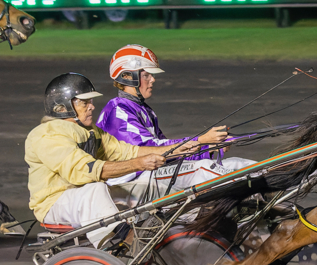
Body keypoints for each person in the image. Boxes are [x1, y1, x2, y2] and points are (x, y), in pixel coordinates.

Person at [25, 73, 201, 247]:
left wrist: (175, 150)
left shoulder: (90, 131)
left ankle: (189, 219)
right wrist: (139, 164)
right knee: (95, 189)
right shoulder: (47, 134)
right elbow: (85, 170)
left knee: (143, 187)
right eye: (85, 103)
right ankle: (122, 242)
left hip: (84, 198)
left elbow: (128, 152)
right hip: (54, 205)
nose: (92, 107)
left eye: (91, 101)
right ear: (62, 107)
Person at [96, 45, 255, 205]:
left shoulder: (144, 110)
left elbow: (171, 154)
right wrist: (201, 140)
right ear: (127, 77)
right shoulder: (118, 110)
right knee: (204, 169)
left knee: (236, 164)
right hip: (128, 184)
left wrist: (209, 148)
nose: (152, 79)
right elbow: (149, 149)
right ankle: (254, 195)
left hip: (149, 175)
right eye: (146, 75)